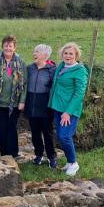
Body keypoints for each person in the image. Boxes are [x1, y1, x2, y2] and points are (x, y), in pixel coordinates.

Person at [48, 42, 88, 176]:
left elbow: (79, 94)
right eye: (66, 53)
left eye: (71, 53)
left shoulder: (80, 71)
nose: (68, 56)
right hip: (57, 107)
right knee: (60, 136)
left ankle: (74, 163)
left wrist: (68, 112)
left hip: (69, 110)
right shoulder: (60, 66)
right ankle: (69, 163)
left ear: (76, 55)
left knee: (64, 136)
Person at [0, 35, 27, 158]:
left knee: (12, 128)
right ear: (2, 47)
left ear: (14, 47)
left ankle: (13, 153)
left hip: (14, 103)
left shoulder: (21, 63)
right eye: (6, 45)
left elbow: (24, 83)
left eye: (10, 46)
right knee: (0, 128)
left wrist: (22, 101)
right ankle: (2, 153)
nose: (8, 48)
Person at [24, 44, 58, 169]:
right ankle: (38, 154)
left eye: (37, 52)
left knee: (48, 133)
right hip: (31, 104)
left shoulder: (52, 70)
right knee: (35, 133)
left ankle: (51, 157)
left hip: (45, 106)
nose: (34, 54)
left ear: (45, 55)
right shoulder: (29, 68)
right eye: (34, 51)